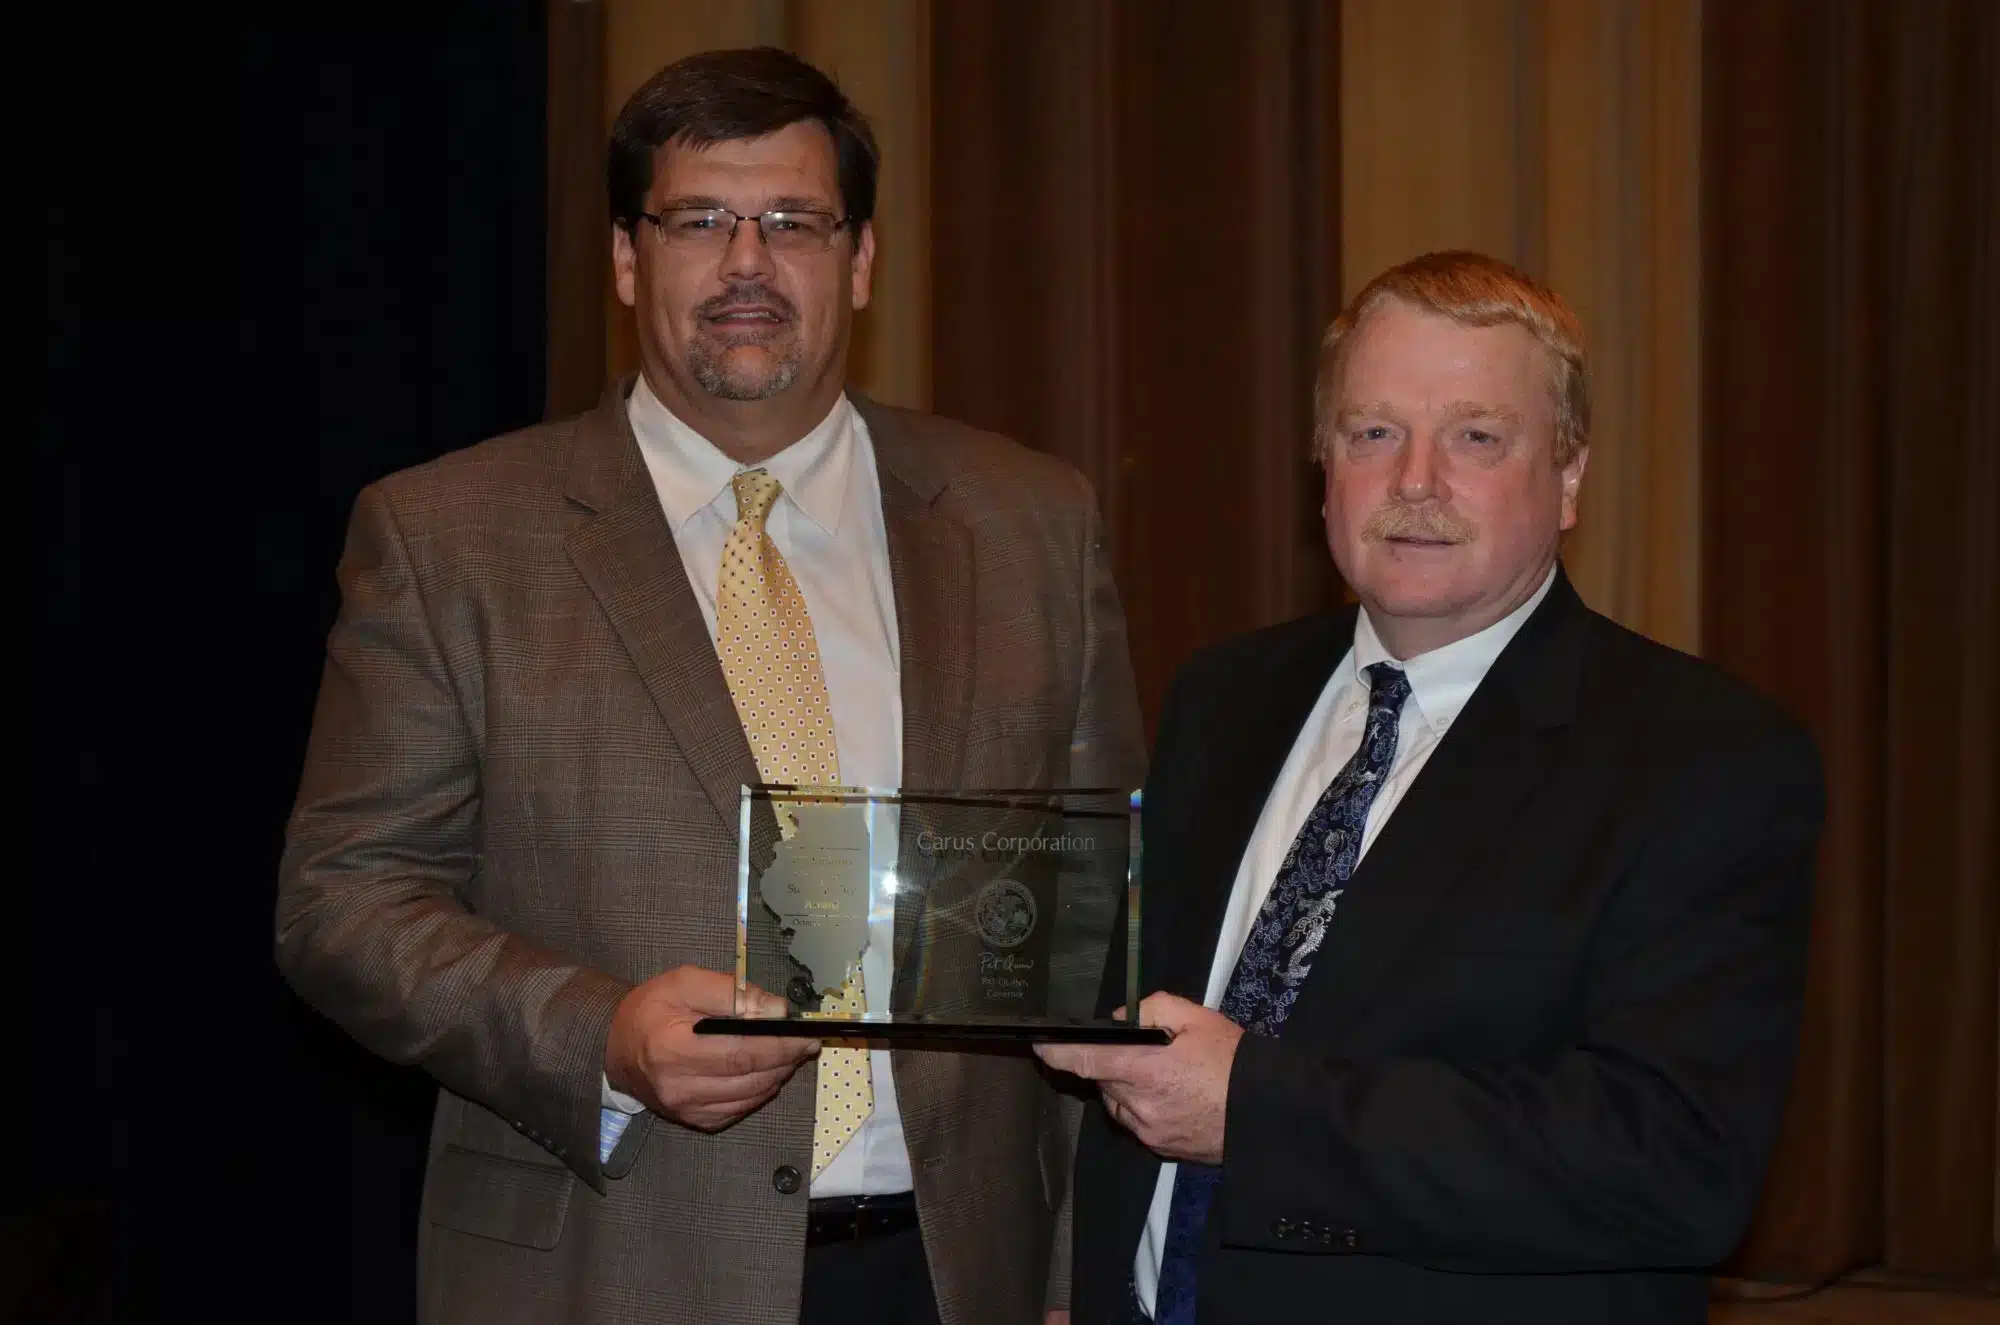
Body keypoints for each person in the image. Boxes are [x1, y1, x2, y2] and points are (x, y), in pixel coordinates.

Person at [277, 47, 1142, 1325]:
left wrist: (1081, 1273)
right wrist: (601, 1037)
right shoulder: (448, 536)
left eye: (792, 221)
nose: (747, 265)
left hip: (962, 1276)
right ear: (627, 260)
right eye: (698, 221)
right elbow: (342, 903)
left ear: (859, 260)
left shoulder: (1029, 523)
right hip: (609, 1268)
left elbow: (1094, 940)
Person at [1042, 251, 1824, 1324]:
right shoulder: (1224, 694)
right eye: (1372, 432)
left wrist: (1256, 1109)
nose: (1413, 479)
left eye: (1474, 436)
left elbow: (1671, 1162)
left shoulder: (1704, 756)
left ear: (1567, 477)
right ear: (1322, 464)